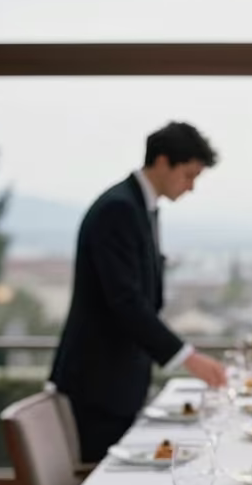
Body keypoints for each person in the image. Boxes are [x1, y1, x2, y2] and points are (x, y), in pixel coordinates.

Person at [50, 121, 227, 462]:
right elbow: (126, 302)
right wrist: (187, 357)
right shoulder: (119, 209)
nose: (190, 187)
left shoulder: (140, 208)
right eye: (189, 175)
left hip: (119, 381)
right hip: (99, 383)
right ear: (162, 162)